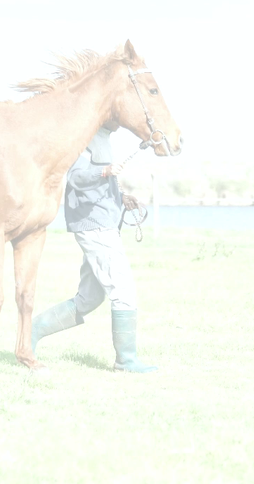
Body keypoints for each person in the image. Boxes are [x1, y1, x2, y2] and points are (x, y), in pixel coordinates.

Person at [31, 123, 157, 373]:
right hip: (95, 227)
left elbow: (99, 183)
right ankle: (126, 362)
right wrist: (106, 171)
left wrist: (121, 198)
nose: (121, 123)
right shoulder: (83, 139)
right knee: (123, 290)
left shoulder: (102, 139)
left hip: (102, 224)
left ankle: (31, 331)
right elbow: (76, 178)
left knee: (90, 298)